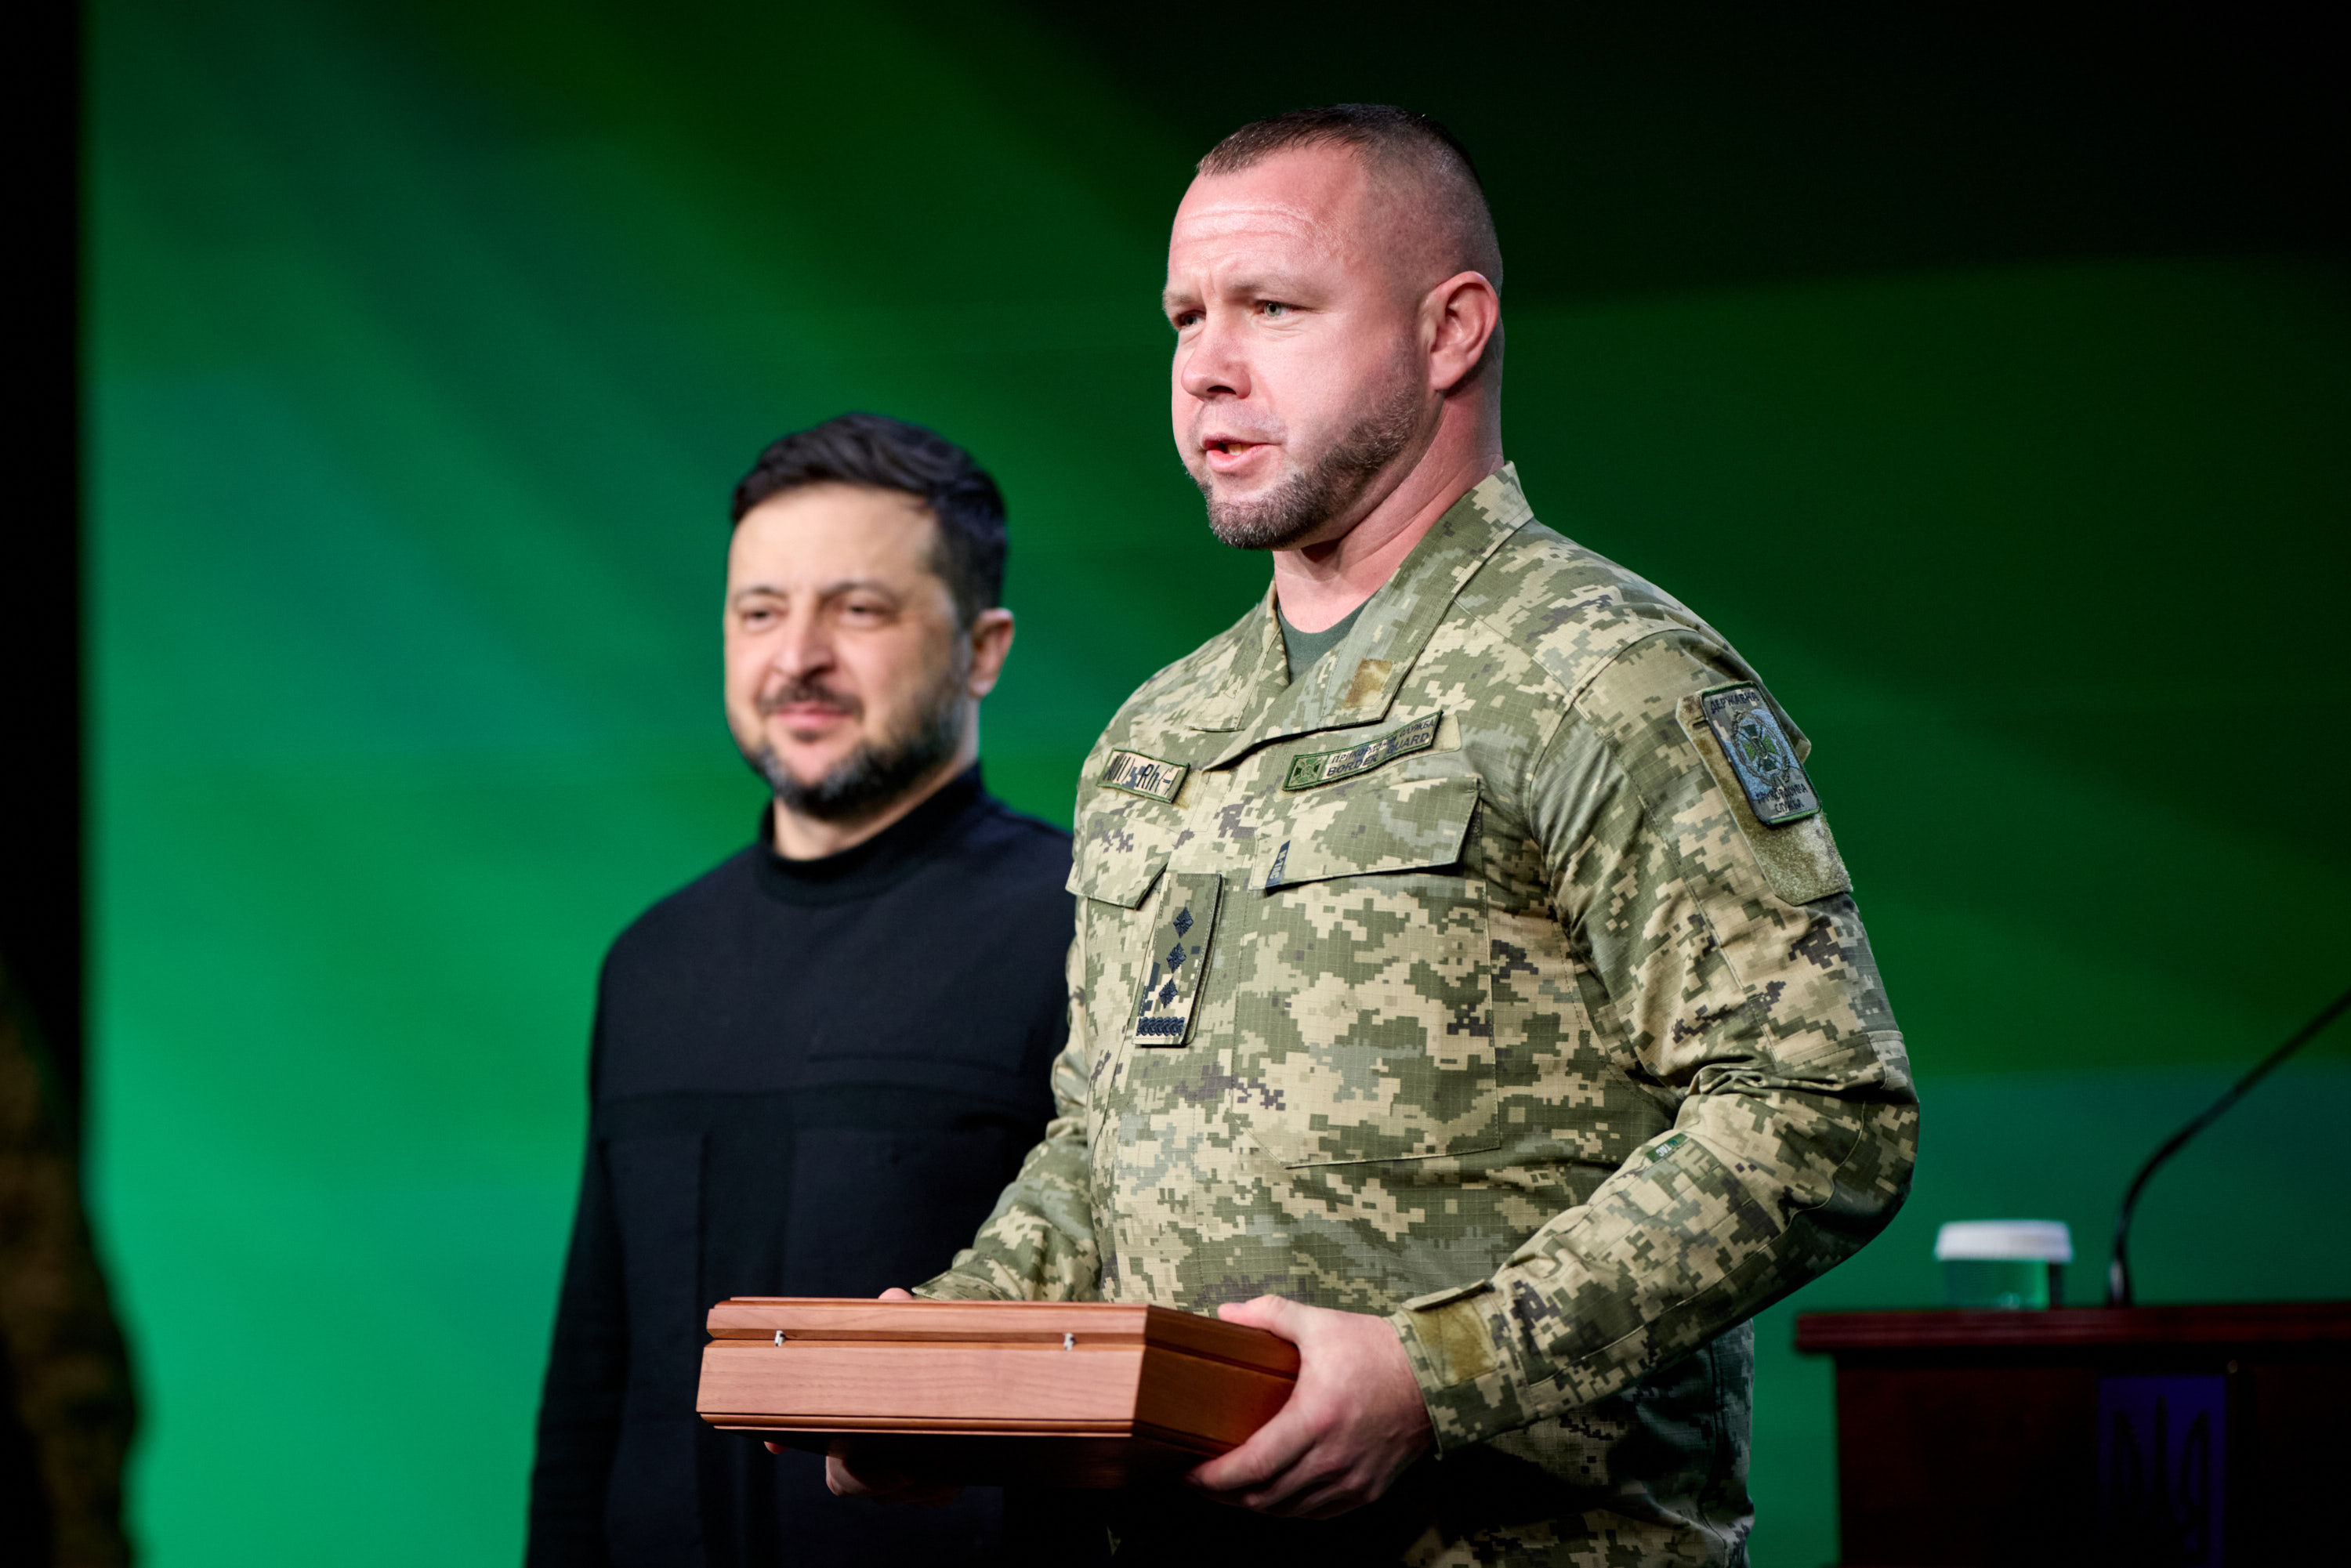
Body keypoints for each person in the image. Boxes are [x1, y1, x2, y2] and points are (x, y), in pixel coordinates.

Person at [835, 107, 1920, 1565]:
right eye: (1186, 317)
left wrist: (1433, 1374)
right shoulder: (1161, 731)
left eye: (1273, 308)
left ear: (1449, 329)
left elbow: (1821, 1108)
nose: (1207, 368)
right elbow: (1103, 1145)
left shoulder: (1606, 676)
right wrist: (957, 1352)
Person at [527, 415, 1085, 1566]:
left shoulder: (1086, 929)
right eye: (760, 612)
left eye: (859, 609)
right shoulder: (652, 962)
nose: (799, 657)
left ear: (983, 649)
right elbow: (593, 1383)